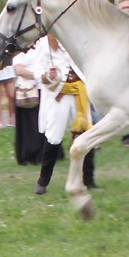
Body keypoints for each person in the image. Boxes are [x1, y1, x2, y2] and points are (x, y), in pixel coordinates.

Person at [28, 34, 96, 194]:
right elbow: (37, 71)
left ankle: (89, 179)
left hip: (80, 92)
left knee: (86, 133)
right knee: (53, 136)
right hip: (59, 95)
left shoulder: (74, 36)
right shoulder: (44, 43)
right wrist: (47, 76)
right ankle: (43, 181)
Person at [11, 48, 46, 166]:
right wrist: (38, 76)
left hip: (43, 89)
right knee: (30, 125)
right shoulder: (20, 54)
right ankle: (31, 153)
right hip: (28, 92)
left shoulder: (42, 48)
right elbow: (19, 70)